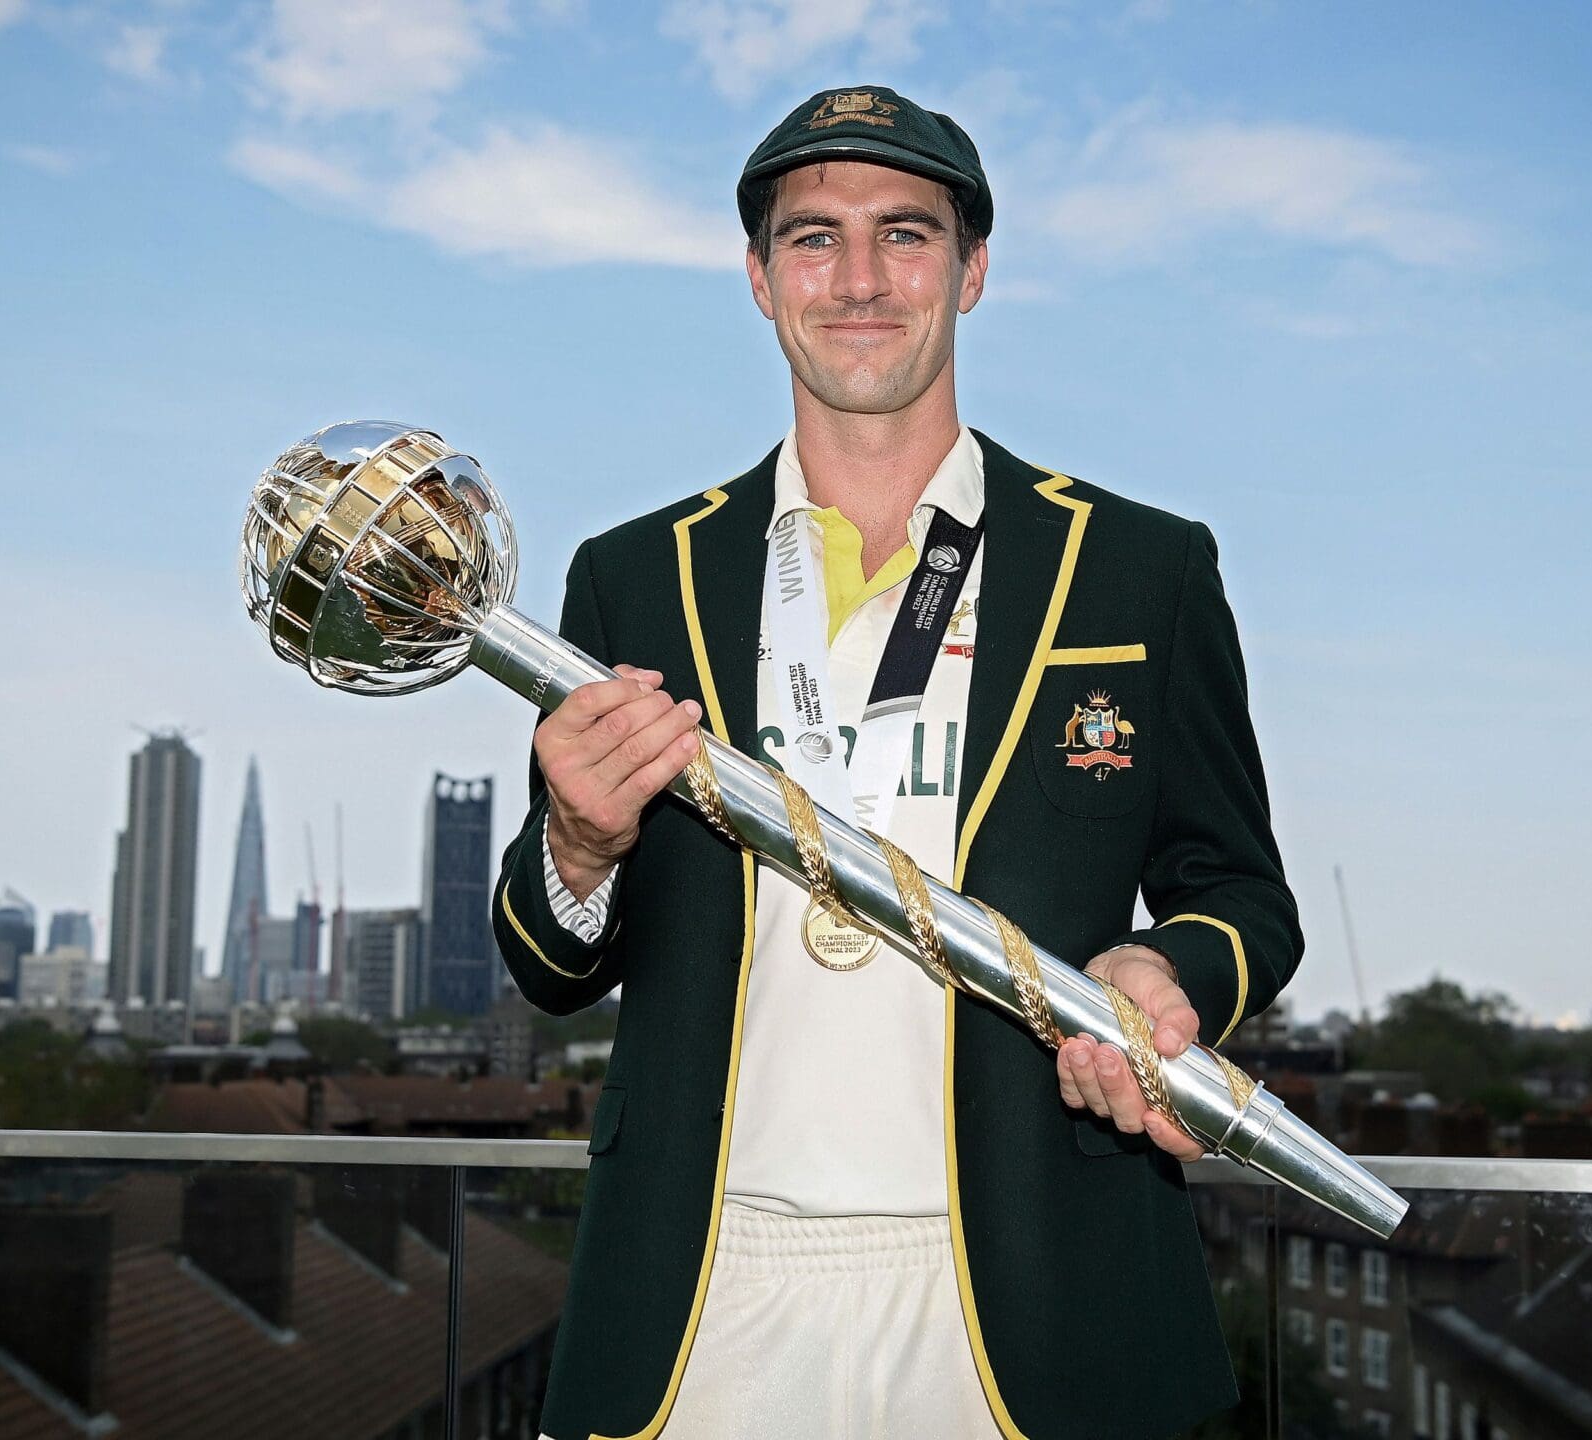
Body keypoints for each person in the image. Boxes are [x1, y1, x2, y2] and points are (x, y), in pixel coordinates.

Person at [492, 84, 1302, 1440]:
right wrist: (577, 847)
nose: (858, 280)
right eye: (813, 239)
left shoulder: (1142, 567)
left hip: (1038, 1283)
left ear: (973, 270)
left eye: (905, 235)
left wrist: (1167, 971)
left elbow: (1243, 894)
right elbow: (549, 965)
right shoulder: (634, 573)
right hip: (709, 1288)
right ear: (758, 279)